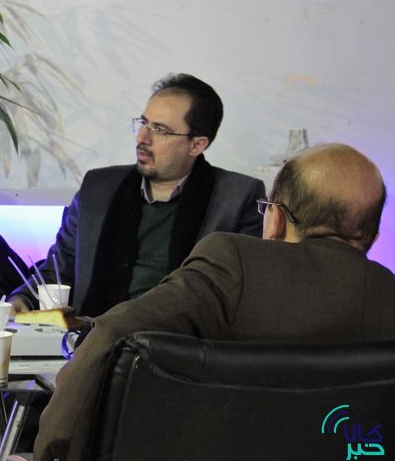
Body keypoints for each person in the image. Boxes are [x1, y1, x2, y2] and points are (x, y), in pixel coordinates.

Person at [34, 143, 395, 461]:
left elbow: (112, 335)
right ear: (373, 235)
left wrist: (53, 453)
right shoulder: (387, 293)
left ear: (276, 219)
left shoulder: (235, 263)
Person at [11, 73, 265, 317]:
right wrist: (21, 300)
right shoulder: (98, 188)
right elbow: (57, 271)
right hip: (92, 334)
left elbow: (238, 295)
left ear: (197, 145)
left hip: (179, 340)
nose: (142, 138)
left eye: (160, 130)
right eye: (144, 123)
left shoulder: (236, 198)